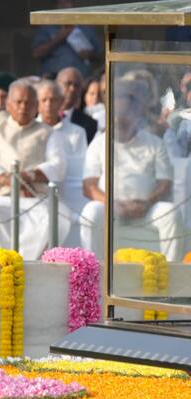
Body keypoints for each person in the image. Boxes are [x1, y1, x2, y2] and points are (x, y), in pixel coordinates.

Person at [80, 79, 183, 261]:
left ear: (136, 112)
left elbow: (164, 183)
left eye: (127, 107)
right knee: (90, 212)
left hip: (145, 209)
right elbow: (89, 186)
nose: (122, 117)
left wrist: (145, 203)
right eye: (117, 108)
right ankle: (95, 274)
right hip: (110, 208)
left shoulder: (154, 143)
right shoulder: (98, 143)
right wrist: (112, 204)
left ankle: (168, 274)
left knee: (171, 213)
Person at [0, 80, 68, 259]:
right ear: (8, 104)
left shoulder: (49, 133)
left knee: (57, 216)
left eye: (28, 102)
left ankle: (30, 266)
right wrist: (14, 182)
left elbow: (58, 166)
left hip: (35, 198)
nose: (23, 107)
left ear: (36, 105)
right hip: (0, 197)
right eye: (18, 102)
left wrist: (28, 176)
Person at [36, 79, 87, 247]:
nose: (49, 104)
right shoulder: (32, 131)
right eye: (44, 100)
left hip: (67, 198)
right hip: (35, 195)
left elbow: (77, 172)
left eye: (53, 100)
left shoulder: (77, 132)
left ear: (61, 103)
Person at [31, 0, 102, 78]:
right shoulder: (47, 27)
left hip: (81, 80)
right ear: (55, 6)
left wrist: (90, 55)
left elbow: (101, 56)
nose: (64, 6)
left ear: (73, 4)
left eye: (67, 2)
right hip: (53, 78)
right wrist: (60, 37)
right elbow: (36, 53)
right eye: (60, 3)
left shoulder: (86, 27)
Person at [56, 67, 98, 143]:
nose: (72, 89)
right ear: (57, 84)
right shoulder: (40, 117)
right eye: (68, 84)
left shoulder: (89, 124)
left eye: (76, 85)